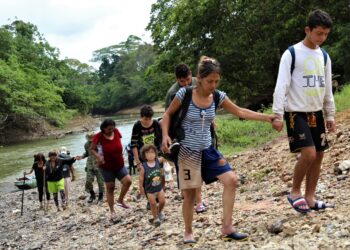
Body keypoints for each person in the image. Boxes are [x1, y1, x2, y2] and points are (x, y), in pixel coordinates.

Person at [162, 56, 275, 243]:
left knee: (231, 180)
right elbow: (167, 115)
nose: (213, 85)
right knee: (190, 194)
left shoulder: (217, 96)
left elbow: (240, 112)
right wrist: (166, 135)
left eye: (216, 81)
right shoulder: (184, 94)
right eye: (209, 81)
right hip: (188, 151)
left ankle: (227, 227)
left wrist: (268, 118)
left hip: (208, 149)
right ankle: (188, 232)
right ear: (199, 78)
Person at [272, 9, 336, 213]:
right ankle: (294, 192)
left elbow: (327, 88)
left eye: (326, 34)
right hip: (295, 113)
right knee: (308, 153)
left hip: (316, 112)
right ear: (307, 30)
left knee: (319, 155)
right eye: (319, 33)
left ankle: (310, 197)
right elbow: (282, 85)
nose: (322, 38)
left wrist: (330, 114)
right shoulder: (291, 53)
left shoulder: (324, 56)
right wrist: (277, 114)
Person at [165, 63, 208, 214]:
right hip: (181, 131)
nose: (185, 84)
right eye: (181, 81)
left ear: (191, 75)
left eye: (187, 80)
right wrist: (167, 136)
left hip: (200, 126)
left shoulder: (199, 83)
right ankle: (195, 200)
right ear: (177, 79)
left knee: (199, 164)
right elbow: (168, 116)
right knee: (188, 165)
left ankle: (196, 199)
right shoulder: (172, 93)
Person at [91, 119, 132, 222]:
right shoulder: (98, 136)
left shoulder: (117, 132)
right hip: (106, 167)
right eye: (109, 129)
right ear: (103, 128)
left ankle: (120, 200)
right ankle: (112, 211)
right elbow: (92, 149)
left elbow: (118, 143)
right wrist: (98, 157)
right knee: (110, 188)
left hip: (119, 164)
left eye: (112, 128)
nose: (111, 130)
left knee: (128, 181)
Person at [139, 144, 166, 226]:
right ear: (144, 156)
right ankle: (155, 218)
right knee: (153, 204)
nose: (150, 154)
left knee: (162, 201)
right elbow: (141, 178)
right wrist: (141, 188)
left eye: (152, 152)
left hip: (159, 187)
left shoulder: (158, 161)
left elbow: (165, 158)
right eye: (147, 153)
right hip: (149, 190)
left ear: (155, 153)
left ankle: (159, 212)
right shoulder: (143, 166)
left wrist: (166, 149)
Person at [77, 132, 105, 203]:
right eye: (89, 139)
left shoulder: (100, 143)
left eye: (92, 138)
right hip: (89, 165)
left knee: (100, 182)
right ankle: (92, 195)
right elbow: (87, 153)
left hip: (99, 165)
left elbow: (104, 152)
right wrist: (81, 157)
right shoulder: (86, 144)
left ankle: (101, 196)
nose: (91, 140)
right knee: (88, 181)